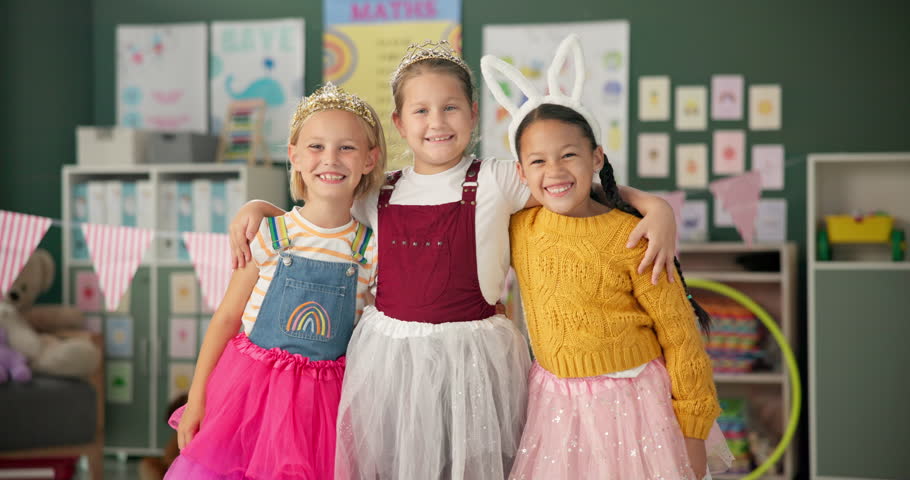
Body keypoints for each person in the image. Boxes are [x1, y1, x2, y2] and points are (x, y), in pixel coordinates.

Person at [229, 40, 680, 480]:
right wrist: (261, 209)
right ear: (400, 123)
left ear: (473, 115)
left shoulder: (500, 178)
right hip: (392, 359)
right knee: (395, 461)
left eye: (450, 108)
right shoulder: (377, 190)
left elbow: (570, 186)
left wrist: (654, 207)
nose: (437, 122)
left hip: (475, 358)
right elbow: (319, 215)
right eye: (421, 111)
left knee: (474, 463)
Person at [482, 34, 733, 479]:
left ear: (596, 156)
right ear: (520, 172)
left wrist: (693, 435)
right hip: (556, 409)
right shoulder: (520, 227)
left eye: (570, 155)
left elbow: (680, 337)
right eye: (537, 161)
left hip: (636, 408)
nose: (555, 171)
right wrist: (658, 205)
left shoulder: (632, 235)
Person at [164, 82, 385, 480]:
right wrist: (196, 399)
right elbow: (226, 319)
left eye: (346, 148)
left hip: (320, 412)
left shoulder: (369, 250)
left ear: (370, 160)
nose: (330, 159)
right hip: (246, 398)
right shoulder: (268, 235)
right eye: (316, 147)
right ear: (294, 157)